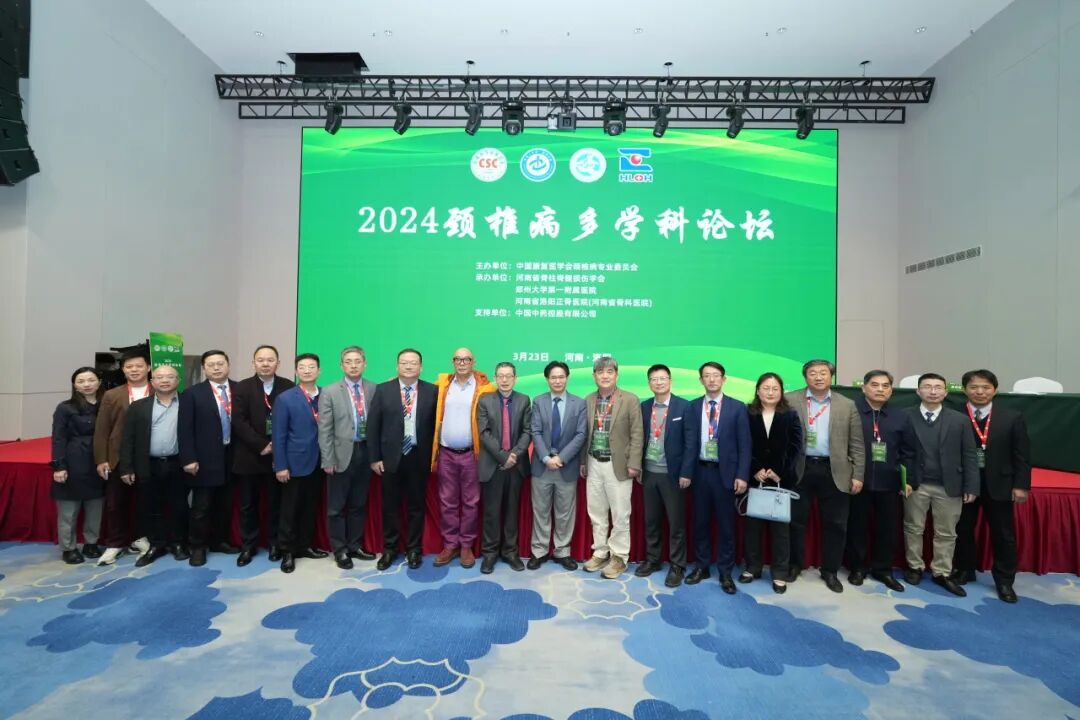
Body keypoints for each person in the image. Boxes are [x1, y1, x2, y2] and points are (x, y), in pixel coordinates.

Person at [952, 369, 1032, 603]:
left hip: (1000, 484)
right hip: (964, 484)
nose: (980, 392)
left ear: (995, 390)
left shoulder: (1011, 417)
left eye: (985, 387)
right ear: (965, 390)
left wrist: (1021, 485)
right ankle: (965, 569)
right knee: (963, 529)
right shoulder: (955, 415)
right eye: (974, 387)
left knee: (1003, 534)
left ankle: (1004, 580)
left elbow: (1022, 454)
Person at [785, 359, 864, 593]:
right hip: (800, 468)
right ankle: (795, 564)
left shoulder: (847, 405)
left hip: (834, 470)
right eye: (813, 373)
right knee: (795, 521)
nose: (818, 377)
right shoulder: (790, 400)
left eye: (823, 373)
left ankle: (830, 570)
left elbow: (857, 444)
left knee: (836, 523)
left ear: (831, 376)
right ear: (805, 377)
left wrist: (858, 474)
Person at [900, 372, 979, 596]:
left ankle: (942, 571)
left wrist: (971, 486)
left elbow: (969, 455)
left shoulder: (959, 420)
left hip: (949, 485)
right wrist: (903, 480)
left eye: (938, 387)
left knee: (946, 532)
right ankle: (914, 566)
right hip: (916, 484)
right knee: (913, 528)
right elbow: (899, 451)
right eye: (927, 387)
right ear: (918, 391)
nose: (933, 391)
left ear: (946, 392)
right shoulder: (905, 416)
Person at [684, 362, 751, 594]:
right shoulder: (693, 407)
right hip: (700, 472)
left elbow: (745, 445)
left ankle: (725, 571)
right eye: (707, 376)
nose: (711, 379)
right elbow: (689, 443)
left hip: (726, 475)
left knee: (726, 526)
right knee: (700, 523)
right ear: (701, 380)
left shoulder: (737, 407)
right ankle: (702, 566)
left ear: (724, 379)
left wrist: (742, 475)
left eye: (716, 375)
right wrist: (686, 472)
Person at [368, 348, 438, 571]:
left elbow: (436, 426)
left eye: (413, 362)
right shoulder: (383, 389)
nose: (408, 366)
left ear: (421, 367)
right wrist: (374, 458)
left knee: (416, 506)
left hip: (419, 457)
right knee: (390, 506)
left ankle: (414, 549)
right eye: (404, 362)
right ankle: (390, 549)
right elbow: (373, 426)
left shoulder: (432, 391)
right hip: (390, 458)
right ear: (397, 366)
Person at [116, 365, 191, 567]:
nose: (164, 380)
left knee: (179, 506)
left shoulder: (188, 403)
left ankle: (178, 543)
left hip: (178, 463)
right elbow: (128, 439)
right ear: (152, 381)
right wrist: (126, 467)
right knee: (150, 507)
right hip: (148, 464)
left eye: (170, 377)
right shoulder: (138, 407)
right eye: (159, 377)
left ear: (178, 380)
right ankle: (156, 544)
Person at [579, 357, 644, 580]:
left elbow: (637, 434)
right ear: (594, 376)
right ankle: (600, 552)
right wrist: (583, 462)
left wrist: (634, 463)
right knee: (596, 512)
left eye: (609, 372)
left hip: (619, 465)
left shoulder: (630, 399)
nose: (604, 376)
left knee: (620, 514)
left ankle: (619, 556)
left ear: (617, 374)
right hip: (594, 462)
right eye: (600, 372)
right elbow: (584, 434)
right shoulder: (588, 400)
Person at [845, 370, 909, 592]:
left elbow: (909, 451)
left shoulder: (901, 416)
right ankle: (857, 568)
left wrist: (908, 480)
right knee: (857, 527)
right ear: (863, 388)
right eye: (874, 385)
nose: (880, 389)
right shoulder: (851, 412)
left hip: (890, 483)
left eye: (885, 385)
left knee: (887, 529)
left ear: (891, 390)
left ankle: (883, 570)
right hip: (857, 481)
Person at [431, 347, 495, 569]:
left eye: (466, 359)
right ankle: (450, 544)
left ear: (473, 362)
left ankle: (466, 545)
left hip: (471, 455)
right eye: (458, 359)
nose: (462, 363)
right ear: (453, 362)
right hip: (446, 454)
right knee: (447, 501)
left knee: (471, 502)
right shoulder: (443, 386)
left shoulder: (484, 388)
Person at [232, 345, 295, 566]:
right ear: (253, 363)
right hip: (250, 456)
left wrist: (276, 445)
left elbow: (293, 419)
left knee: (276, 503)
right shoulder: (242, 387)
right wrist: (261, 444)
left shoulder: (288, 386)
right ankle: (248, 546)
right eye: (261, 360)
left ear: (278, 363)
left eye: (270, 360)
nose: (265, 364)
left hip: (279, 457)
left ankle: (274, 543)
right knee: (248, 505)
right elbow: (238, 421)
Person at [741, 372, 802, 594]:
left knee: (780, 530)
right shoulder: (747, 413)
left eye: (775, 388)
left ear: (781, 392)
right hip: (755, 478)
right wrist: (754, 469)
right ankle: (753, 567)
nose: (770, 392)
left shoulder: (790, 415)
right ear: (758, 391)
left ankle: (779, 573)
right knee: (753, 528)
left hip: (780, 480)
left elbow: (795, 446)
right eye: (766, 388)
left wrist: (779, 471)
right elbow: (742, 444)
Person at [179, 350, 241, 567]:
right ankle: (197, 546)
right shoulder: (192, 393)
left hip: (232, 456)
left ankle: (219, 541)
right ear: (204, 368)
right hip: (204, 458)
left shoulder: (240, 389)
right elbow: (184, 429)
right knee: (202, 506)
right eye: (211, 364)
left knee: (225, 503)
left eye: (220, 363)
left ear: (228, 365)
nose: (216, 368)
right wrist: (188, 458)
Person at [318, 346, 377, 570]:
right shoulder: (330, 391)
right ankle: (340, 550)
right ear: (341, 365)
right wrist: (328, 459)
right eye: (348, 362)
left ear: (365, 364)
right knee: (336, 508)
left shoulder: (373, 388)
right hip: (340, 454)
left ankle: (355, 545)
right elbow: (325, 429)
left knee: (358, 504)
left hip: (365, 452)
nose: (353, 365)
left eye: (357, 361)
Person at [636, 364, 694, 587]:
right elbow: (638, 440)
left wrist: (686, 472)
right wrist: (639, 467)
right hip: (649, 473)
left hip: (673, 475)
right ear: (649, 383)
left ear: (670, 381)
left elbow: (691, 443)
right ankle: (653, 559)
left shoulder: (684, 406)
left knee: (676, 523)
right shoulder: (644, 407)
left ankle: (677, 565)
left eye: (662, 378)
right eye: (654, 379)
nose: (658, 382)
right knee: (651, 521)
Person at [93, 350, 152, 565]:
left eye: (139, 366)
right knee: (116, 503)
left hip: (150, 456)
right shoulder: (112, 395)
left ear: (148, 368)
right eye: (129, 367)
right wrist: (102, 459)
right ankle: (115, 543)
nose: (134, 370)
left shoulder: (159, 390)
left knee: (145, 501)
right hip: (117, 457)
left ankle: (139, 538)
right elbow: (102, 429)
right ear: (123, 369)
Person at [273, 353, 329, 573]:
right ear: (296, 371)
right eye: (302, 367)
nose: (307, 370)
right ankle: (287, 551)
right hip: (294, 463)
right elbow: (279, 435)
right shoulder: (285, 398)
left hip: (319, 462)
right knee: (290, 509)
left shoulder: (326, 395)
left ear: (319, 371)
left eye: (311, 367)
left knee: (310, 507)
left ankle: (305, 546)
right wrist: (280, 465)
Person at [528, 360, 587, 570]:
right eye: (553, 377)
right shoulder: (538, 401)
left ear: (567, 378)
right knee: (541, 511)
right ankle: (540, 551)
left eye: (561, 377)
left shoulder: (579, 403)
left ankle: (562, 551)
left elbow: (581, 434)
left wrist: (561, 458)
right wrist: (546, 457)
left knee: (565, 513)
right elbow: (535, 431)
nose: (557, 381)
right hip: (542, 466)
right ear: (547, 379)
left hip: (566, 466)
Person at [476, 362, 532, 574]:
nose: (505, 380)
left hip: (516, 466)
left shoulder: (524, 400)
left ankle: (510, 552)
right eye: (501, 376)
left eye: (509, 376)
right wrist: (503, 456)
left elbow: (528, 431)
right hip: (493, 464)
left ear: (515, 378)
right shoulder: (485, 400)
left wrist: (514, 455)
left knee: (511, 512)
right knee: (491, 513)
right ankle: (490, 554)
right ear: (495, 378)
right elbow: (484, 433)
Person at [50, 367, 105, 564]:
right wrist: (59, 466)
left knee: (96, 506)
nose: (87, 384)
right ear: (74, 385)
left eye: (91, 380)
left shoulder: (106, 405)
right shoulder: (65, 408)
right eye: (81, 381)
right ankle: (69, 548)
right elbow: (58, 438)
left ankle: (91, 543)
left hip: (99, 459)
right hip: (73, 460)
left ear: (99, 382)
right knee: (69, 509)